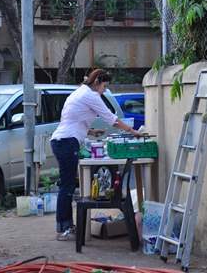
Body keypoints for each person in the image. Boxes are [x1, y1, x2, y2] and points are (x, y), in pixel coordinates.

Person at [50, 69, 141, 241]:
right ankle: (63, 228)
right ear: (97, 82)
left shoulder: (79, 92)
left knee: (67, 185)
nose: (104, 90)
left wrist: (90, 131)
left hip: (63, 140)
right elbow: (111, 118)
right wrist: (132, 131)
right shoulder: (91, 96)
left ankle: (66, 225)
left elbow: (72, 120)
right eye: (104, 86)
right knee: (67, 186)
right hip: (66, 142)